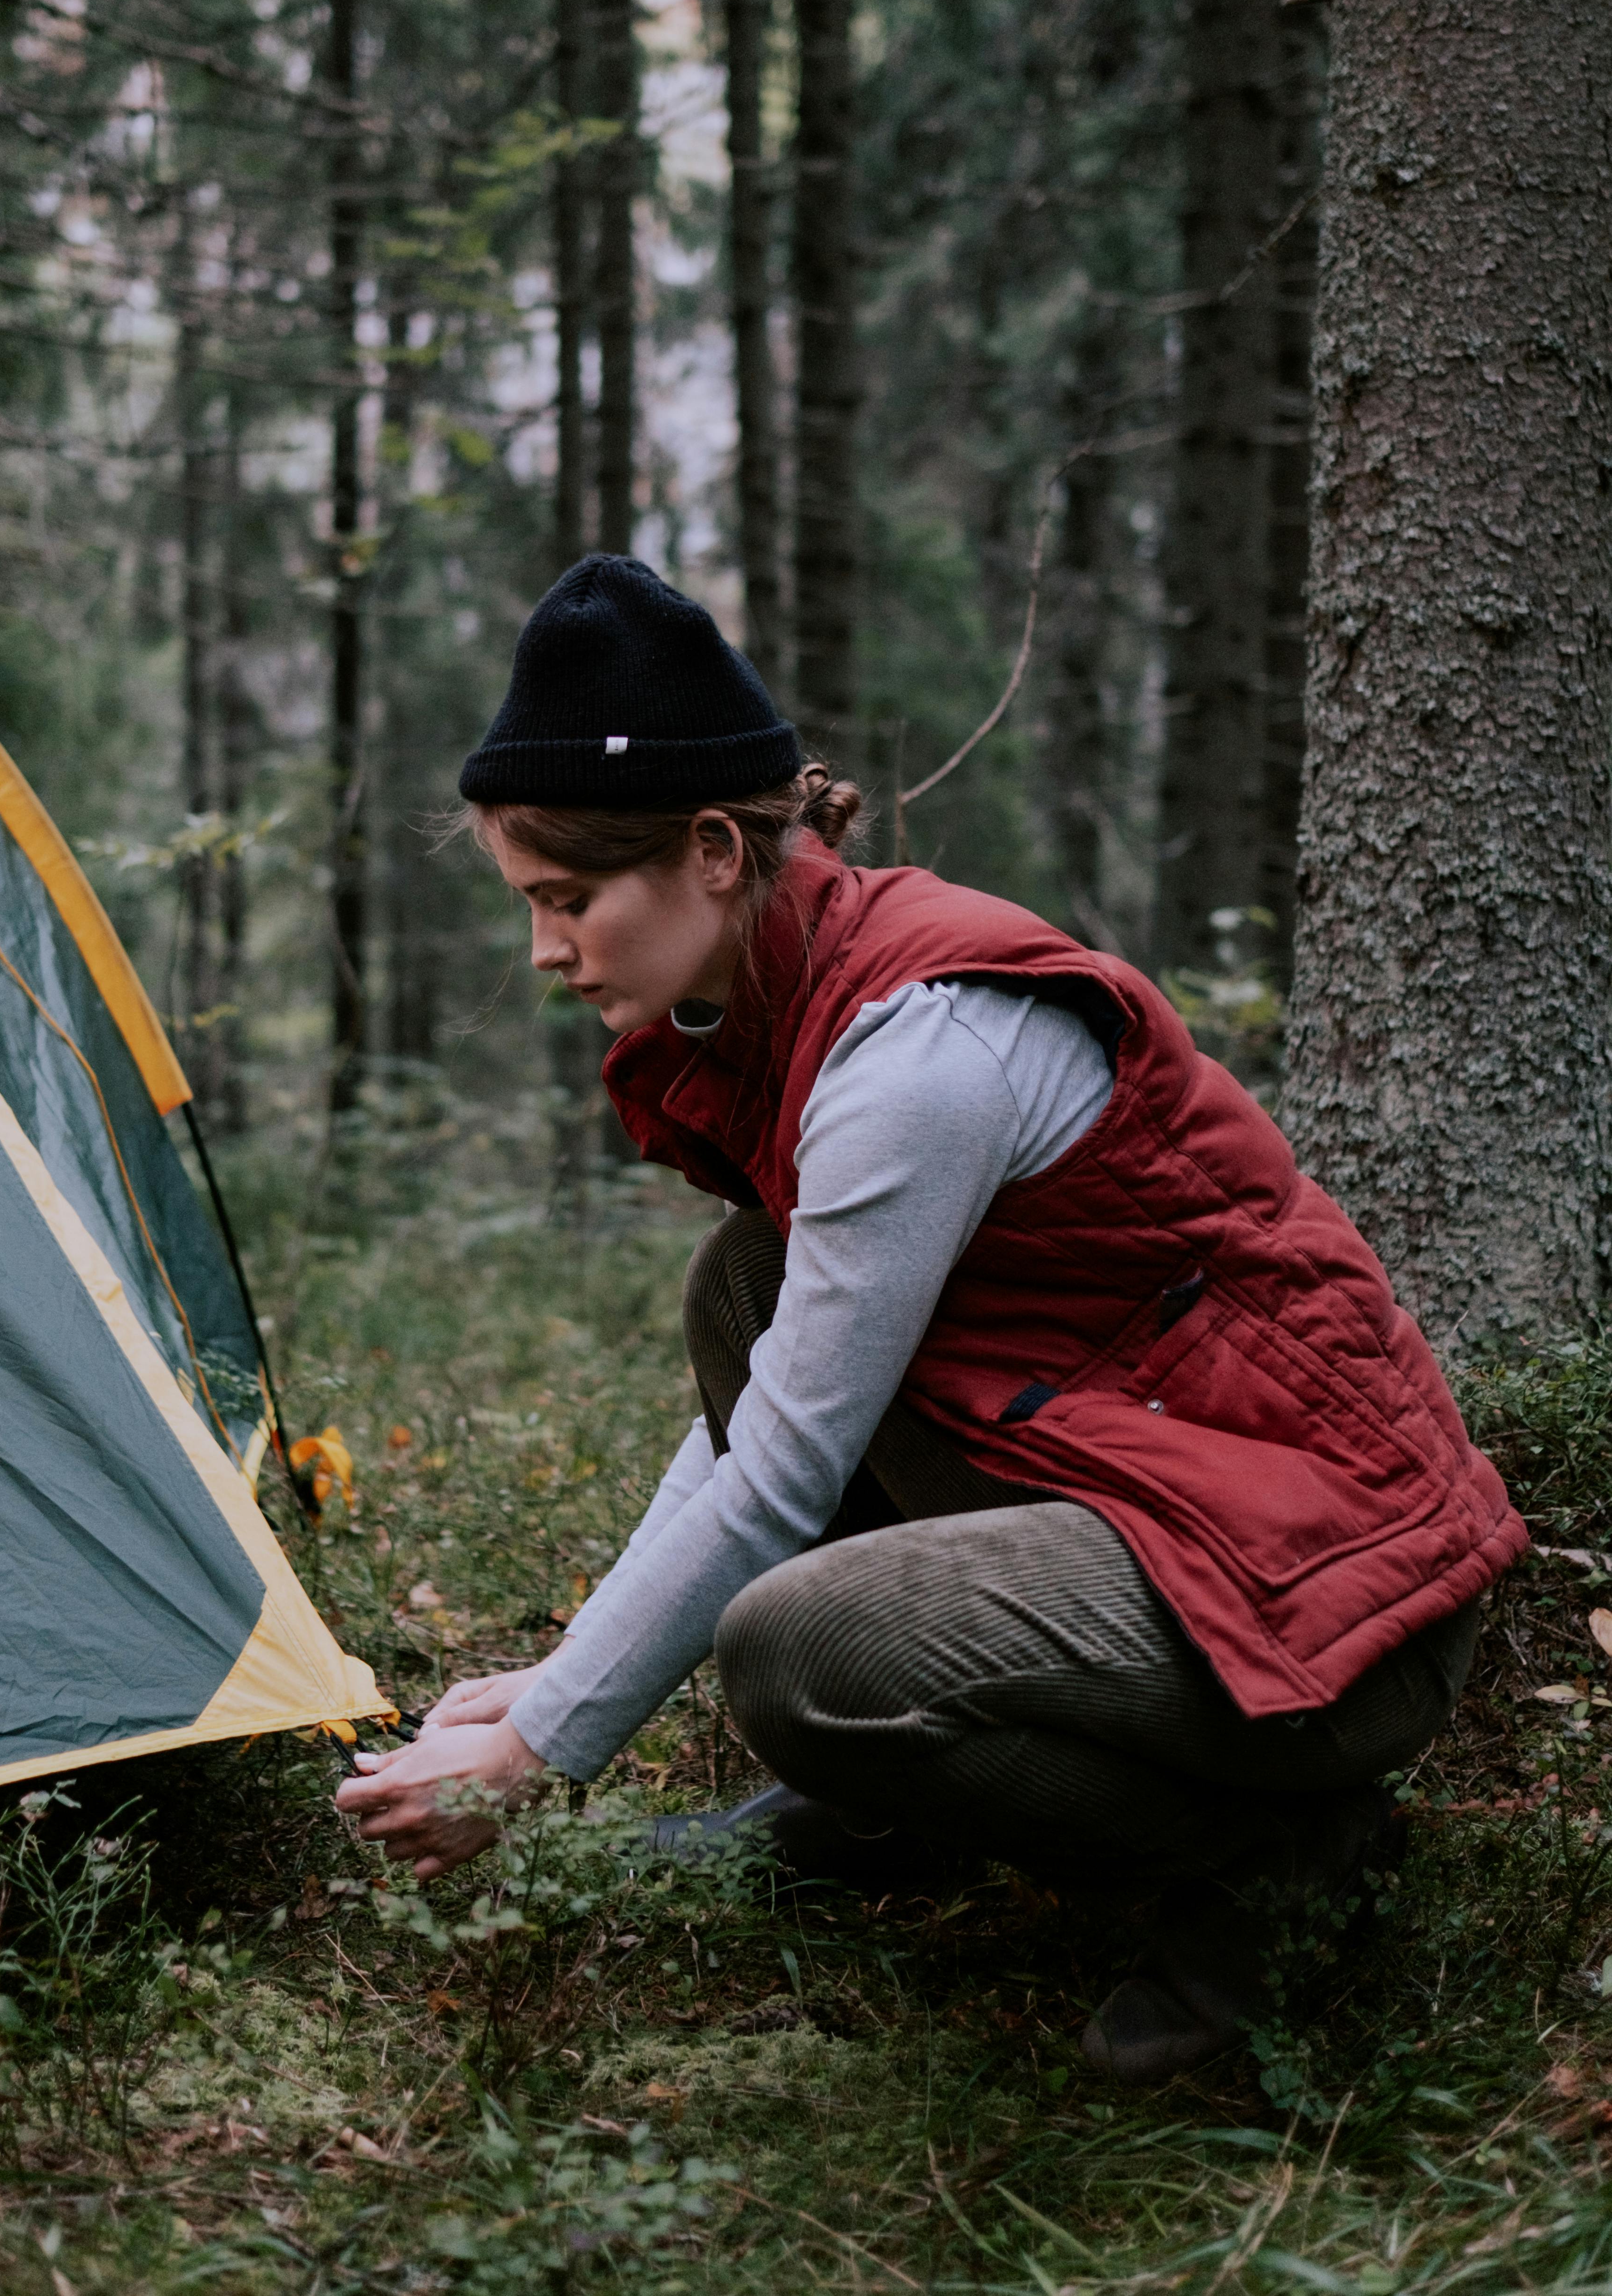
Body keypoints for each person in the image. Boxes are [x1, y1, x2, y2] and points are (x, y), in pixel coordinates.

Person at [336, 555, 1524, 2083]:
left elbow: (783, 1470)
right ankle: (896, 1811)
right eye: (532, 903)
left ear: (711, 849)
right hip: (1166, 1503)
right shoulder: (803, 996)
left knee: (800, 1648)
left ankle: (1282, 1860)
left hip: (1330, 1601)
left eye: (571, 898)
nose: (546, 948)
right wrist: (571, 1665)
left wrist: (534, 1749)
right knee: (748, 1287)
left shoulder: (913, 1052)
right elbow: (767, 1405)